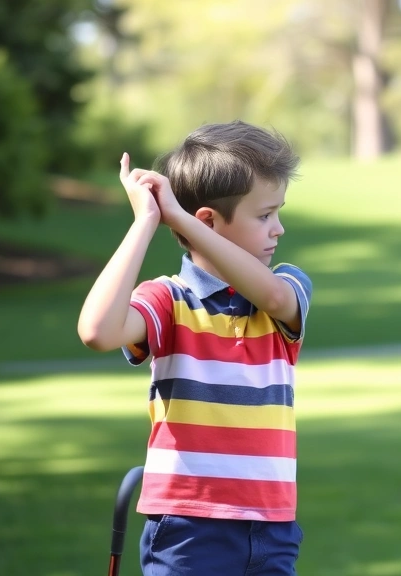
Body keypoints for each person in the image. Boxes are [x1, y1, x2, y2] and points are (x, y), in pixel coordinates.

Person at [77, 120, 312, 575]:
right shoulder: (168, 300)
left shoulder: (286, 286)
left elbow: (274, 297)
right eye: (265, 215)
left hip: (272, 526)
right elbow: (97, 331)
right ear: (206, 221)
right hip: (188, 529)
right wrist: (147, 221)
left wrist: (179, 218)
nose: (278, 229)